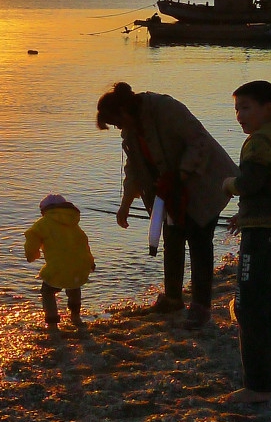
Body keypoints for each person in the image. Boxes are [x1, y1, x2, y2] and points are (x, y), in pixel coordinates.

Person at [96, 82, 237, 329]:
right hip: (169, 191)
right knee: (172, 240)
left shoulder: (165, 107)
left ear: (124, 110)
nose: (117, 127)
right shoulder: (130, 130)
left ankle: (201, 307)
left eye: (116, 121)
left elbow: (198, 141)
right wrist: (125, 204)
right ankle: (173, 299)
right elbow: (134, 171)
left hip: (204, 181)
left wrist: (180, 174)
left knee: (199, 242)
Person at [222, 80, 271, 403]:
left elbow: (250, 183)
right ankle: (266, 380)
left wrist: (229, 184)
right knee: (266, 306)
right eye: (237, 109)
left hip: (266, 236)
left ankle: (257, 387)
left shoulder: (258, 142)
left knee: (248, 307)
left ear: (267, 108)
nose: (240, 116)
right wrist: (245, 216)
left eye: (246, 108)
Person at [24, 194, 95, 330]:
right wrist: (90, 262)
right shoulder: (73, 224)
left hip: (58, 268)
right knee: (74, 286)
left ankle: (52, 323)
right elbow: (84, 245)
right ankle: (75, 317)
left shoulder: (42, 224)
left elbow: (32, 238)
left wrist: (32, 256)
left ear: (45, 210)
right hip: (79, 265)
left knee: (48, 291)